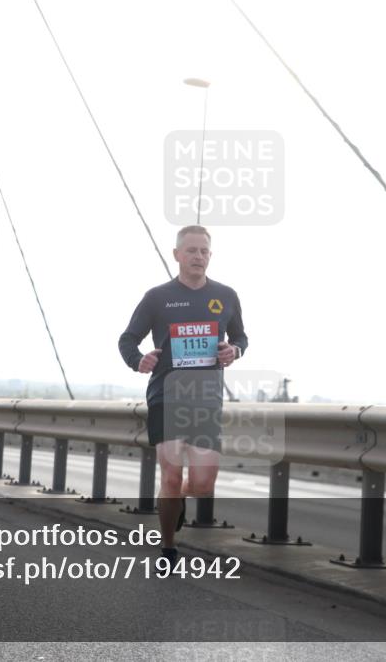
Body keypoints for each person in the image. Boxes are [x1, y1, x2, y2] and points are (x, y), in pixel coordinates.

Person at [118, 225, 248, 570]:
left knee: (202, 484)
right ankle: (168, 545)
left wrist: (233, 350)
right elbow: (127, 339)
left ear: (210, 256)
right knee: (171, 478)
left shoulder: (226, 295)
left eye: (204, 251)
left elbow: (241, 338)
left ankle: (173, 502)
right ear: (177, 255)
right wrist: (138, 360)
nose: (198, 257)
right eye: (191, 251)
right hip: (166, 397)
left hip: (206, 400)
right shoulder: (157, 297)